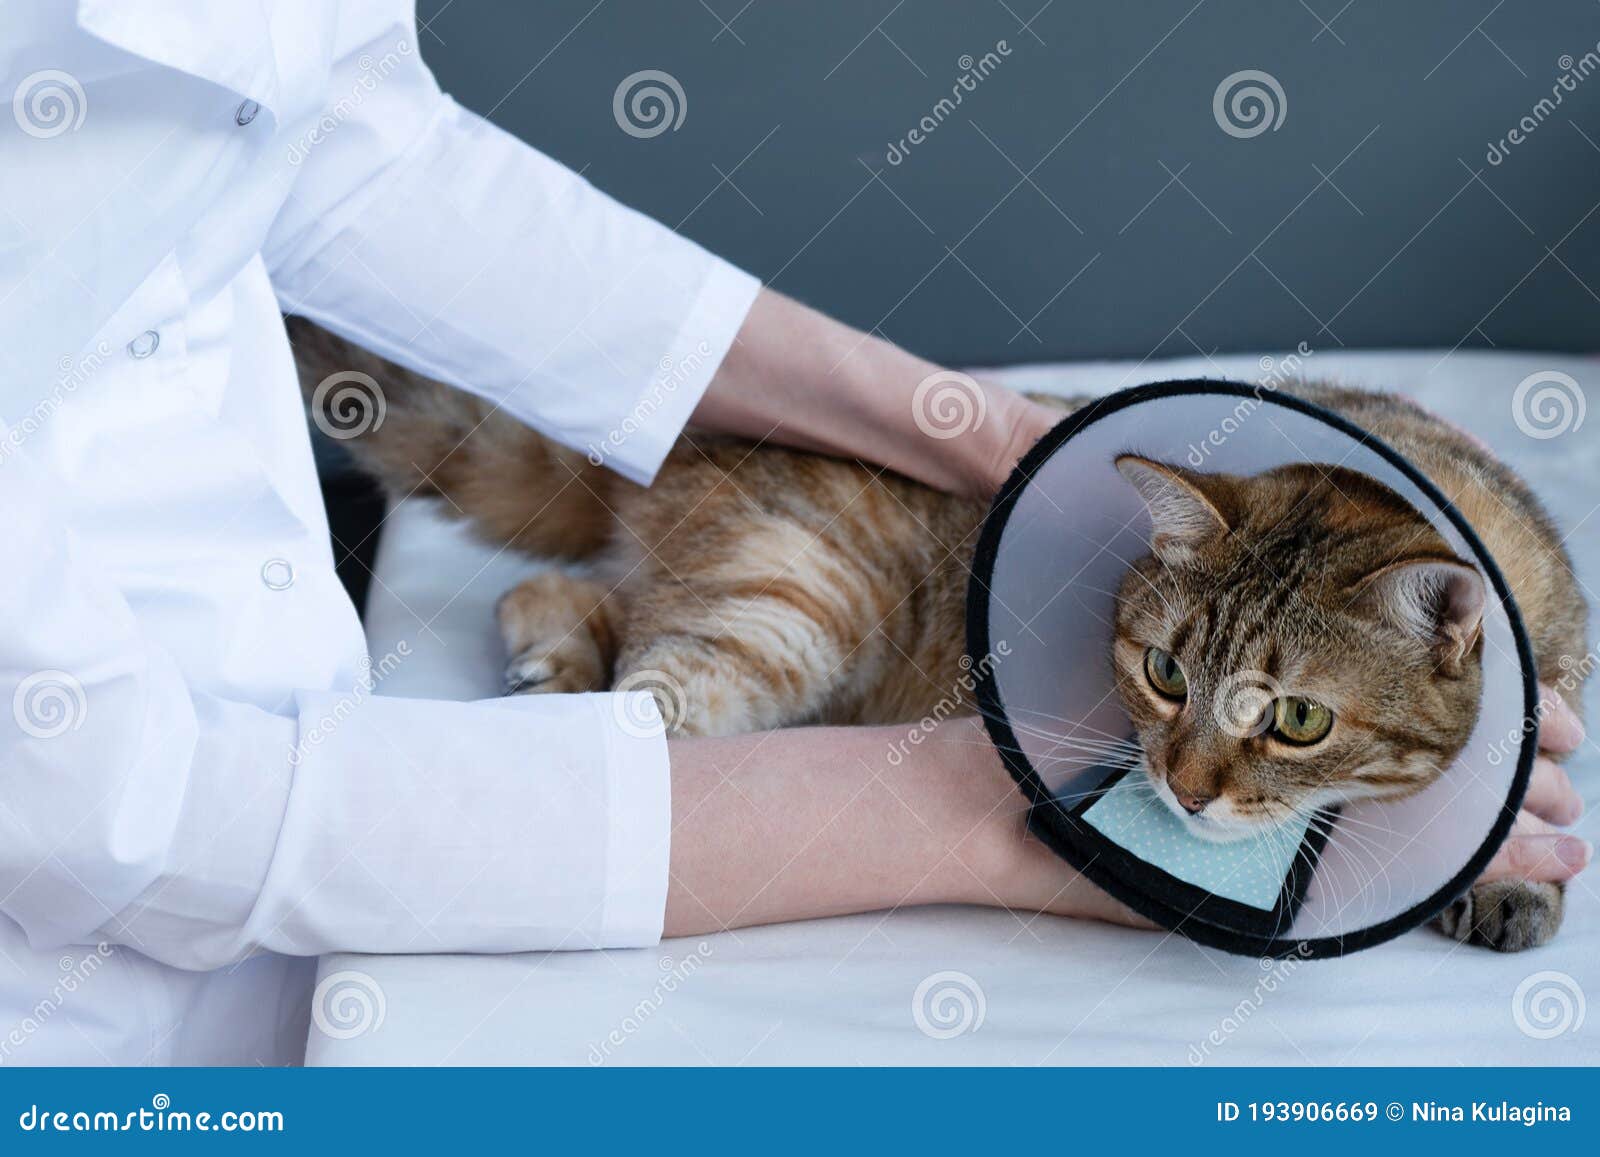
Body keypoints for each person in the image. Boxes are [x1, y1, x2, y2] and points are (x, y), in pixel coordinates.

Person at [0, 2, 1586, 1067]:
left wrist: (964, 422)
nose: (1194, 773)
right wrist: (985, 824)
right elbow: (126, 809)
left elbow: (345, 147)